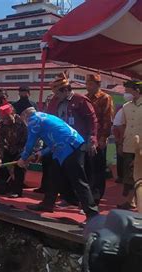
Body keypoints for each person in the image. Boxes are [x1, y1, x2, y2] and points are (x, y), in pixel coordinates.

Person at [18, 107, 99, 222]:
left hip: (70, 147)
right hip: (65, 147)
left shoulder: (34, 120)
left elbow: (31, 141)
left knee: (79, 181)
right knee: (53, 176)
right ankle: (47, 203)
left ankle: (92, 214)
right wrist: (41, 153)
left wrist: (23, 158)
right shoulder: (45, 117)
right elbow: (54, 140)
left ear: (25, 116)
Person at [47, 73, 99, 205]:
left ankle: (87, 204)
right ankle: (63, 199)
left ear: (65, 90)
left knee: (79, 175)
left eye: (57, 92)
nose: (55, 95)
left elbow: (92, 121)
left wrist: (92, 139)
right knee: (57, 172)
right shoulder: (54, 101)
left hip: (77, 143)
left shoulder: (80, 100)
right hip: (60, 143)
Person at [85, 74, 114, 202]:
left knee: (97, 168)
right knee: (87, 167)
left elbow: (108, 119)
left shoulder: (105, 98)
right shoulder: (85, 98)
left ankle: (95, 197)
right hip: (86, 137)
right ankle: (86, 195)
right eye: (87, 84)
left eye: (91, 84)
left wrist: (103, 137)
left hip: (99, 138)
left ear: (98, 85)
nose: (88, 86)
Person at [117, 80, 142, 209]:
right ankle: (131, 201)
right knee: (129, 175)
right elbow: (123, 125)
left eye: (128, 90)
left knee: (139, 174)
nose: (126, 93)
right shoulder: (126, 106)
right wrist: (121, 143)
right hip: (128, 145)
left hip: (140, 147)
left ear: (137, 90)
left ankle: (134, 201)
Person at [0, 104, 28, 197]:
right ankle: (4, 187)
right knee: (2, 166)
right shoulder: (0, 125)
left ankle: (17, 191)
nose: (5, 121)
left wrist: (24, 155)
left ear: (13, 114)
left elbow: (28, 140)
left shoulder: (22, 122)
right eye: (3, 118)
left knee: (18, 168)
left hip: (22, 148)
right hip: (8, 148)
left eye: (7, 118)